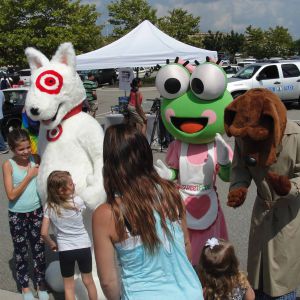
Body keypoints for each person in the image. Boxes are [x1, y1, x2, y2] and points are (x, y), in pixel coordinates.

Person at [92, 124, 203, 300]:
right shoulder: (172, 193)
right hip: (191, 292)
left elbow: (108, 281)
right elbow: (186, 245)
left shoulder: (107, 214)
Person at [2, 129, 48, 300]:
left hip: (36, 211)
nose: (26, 151)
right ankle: (24, 286)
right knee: (21, 252)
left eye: (28, 147)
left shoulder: (35, 159)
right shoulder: (8, 165)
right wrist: (29, 176)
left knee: (38, 249)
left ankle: (40, 283)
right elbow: (11, 195)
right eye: (21, 149)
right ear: (13, 149)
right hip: (17, 214)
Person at [41, 170, 97, 300]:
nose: (74, 184)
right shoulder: (78, 201)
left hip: (65, 250)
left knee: (69, 287)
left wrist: (52, 244)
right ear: (62, 190)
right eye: (71, 184)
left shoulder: (49, 206)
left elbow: (43, 233)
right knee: (89, 282)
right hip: (83, 246)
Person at [0, 89, 9, 154]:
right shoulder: (1, 92)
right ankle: (5, 142)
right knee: (1, 130)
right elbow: (3, 102)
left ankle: (3, 148)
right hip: (1, 115)